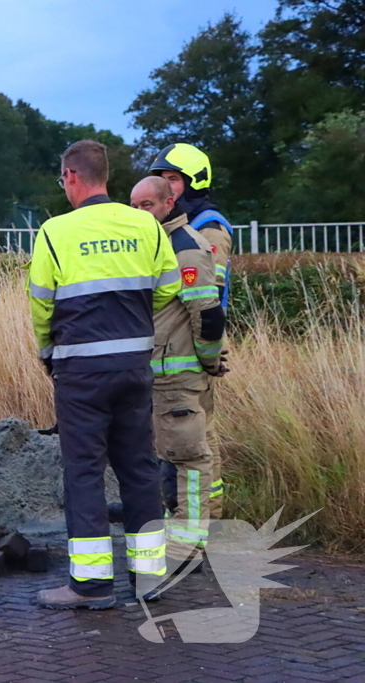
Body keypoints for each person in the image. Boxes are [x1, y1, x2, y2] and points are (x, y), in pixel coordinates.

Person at [28, 140, 179, 610]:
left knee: (85, 472)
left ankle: (91, 586)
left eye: (63, 180)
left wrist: (48, 351)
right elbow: (168, 286)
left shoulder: (54, 232)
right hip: (134, 365)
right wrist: (132, 325)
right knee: (139, 468)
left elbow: (41, 303)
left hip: (80, 370)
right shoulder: (145, 225)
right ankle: (149, 578)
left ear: (72, 176)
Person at [131, 176, 226, 574]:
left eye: (147, 205)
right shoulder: (155, 243)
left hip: (178, 376)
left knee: (190, 461)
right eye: (134, 206)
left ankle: (186, 548)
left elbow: (207, 314)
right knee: (169, 458)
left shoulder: (185, 246)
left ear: (169, 203)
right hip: (158, 373)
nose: (140, 213)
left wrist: (210, 361)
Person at [150, 143, 231, 519]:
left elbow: (207, 299)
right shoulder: (177, 226)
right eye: (161, 179)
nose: (166, 186)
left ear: (195, 182)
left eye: (173, 179)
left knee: (199, 442)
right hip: (177, 347)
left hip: (195, 347)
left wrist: (209, 352)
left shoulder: (207, 229)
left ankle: (206, 521)